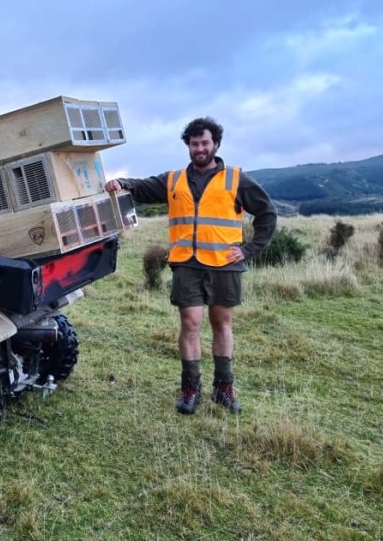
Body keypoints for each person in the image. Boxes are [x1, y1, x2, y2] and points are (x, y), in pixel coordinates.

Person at [105, 117, 276, 414]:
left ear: (216, 144)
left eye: (205, 143)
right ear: (188, 146)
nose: (199, 148)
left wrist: (249, 250)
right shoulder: (174, 180)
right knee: (190, 324)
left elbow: (267, 214)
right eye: (194, 144)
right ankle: (190, 389)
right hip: (187, 264)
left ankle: (223, 388)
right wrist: (123, 182)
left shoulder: (236, 179)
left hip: (224, 264)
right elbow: (143, 188)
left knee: (222, 323)